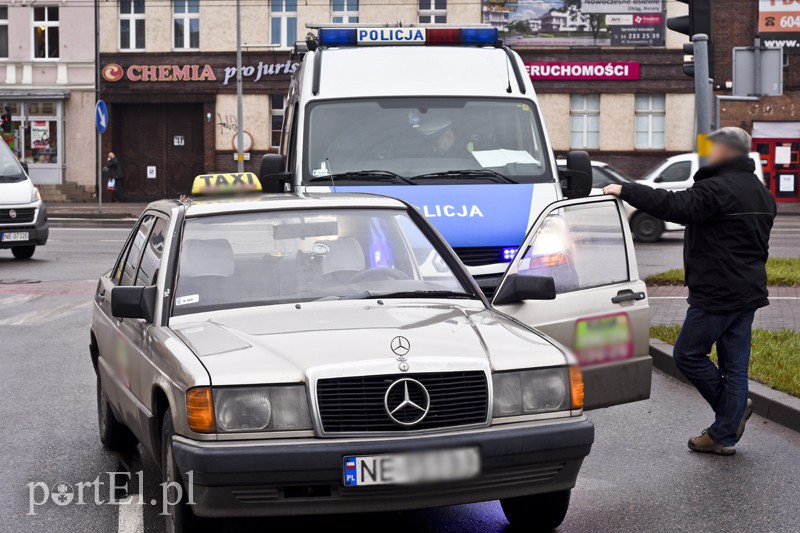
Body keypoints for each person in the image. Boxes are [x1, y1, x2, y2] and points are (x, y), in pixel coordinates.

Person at [603, 127, 776, 456]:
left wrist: (625, 189)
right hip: (748, 292)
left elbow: (672, 205)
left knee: (687, 355)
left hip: (716, 295)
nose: (707, 153)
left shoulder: (716, 190)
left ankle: (730, 419)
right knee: (735, 368)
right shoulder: (760, 191)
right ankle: (727, 431)